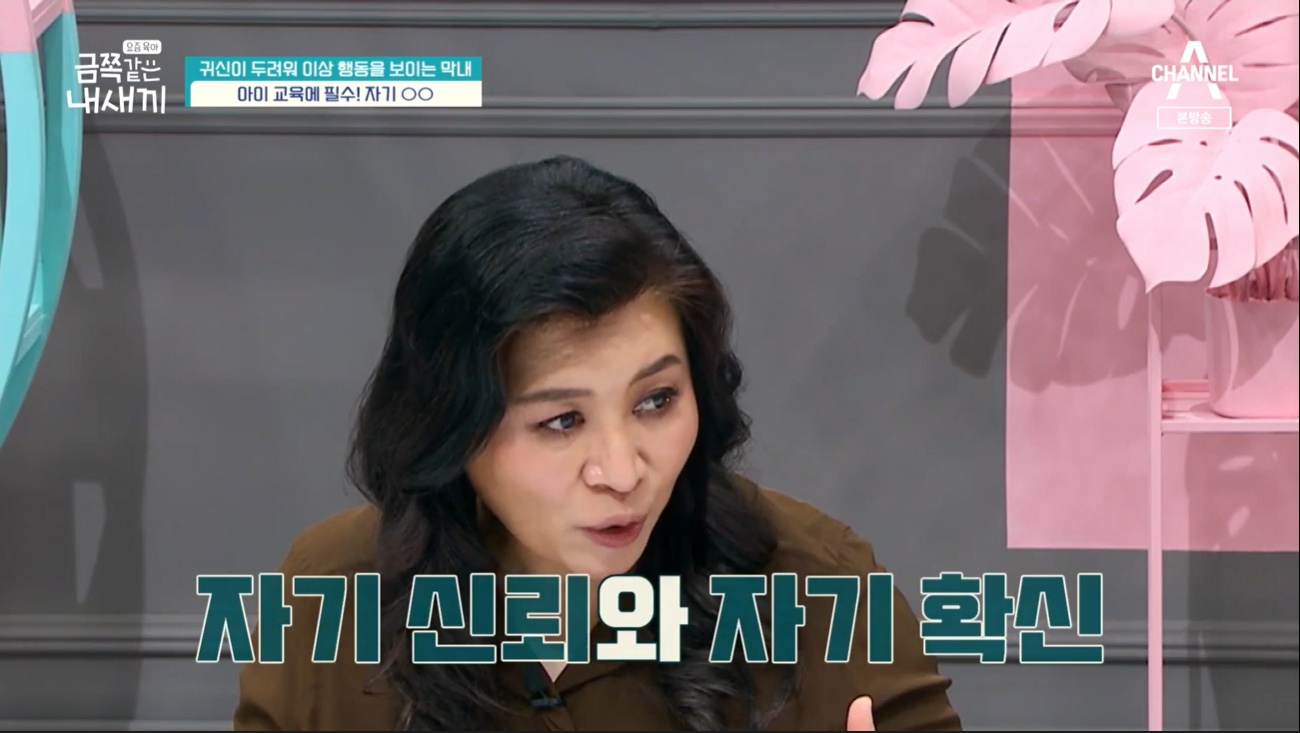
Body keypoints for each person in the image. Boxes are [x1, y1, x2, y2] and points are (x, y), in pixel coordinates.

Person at [233, 156, 961, 731]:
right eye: (561, 421)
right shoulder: (330, 594)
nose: (622, 471)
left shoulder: (819, 589)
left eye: (656, 400)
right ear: (452, 423)